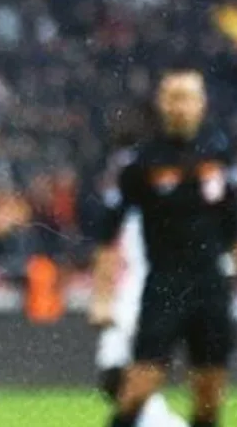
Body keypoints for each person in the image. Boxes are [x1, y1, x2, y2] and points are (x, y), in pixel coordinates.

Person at [91, 63, 237, 427]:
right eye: (173, 97)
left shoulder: (219, 155)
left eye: (187, 97)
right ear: (161, 103)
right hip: (165, 285)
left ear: (202, 103)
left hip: (211, 286)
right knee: (138, 388)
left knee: (209, 397)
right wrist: (103, 296)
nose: (180, 106)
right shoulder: (142, 162)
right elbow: (109, 235)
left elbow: (234, 231)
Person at [90, 146, 186, 427]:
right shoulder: (126, 212)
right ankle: (158, 420)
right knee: (113, 373)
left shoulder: (160, 208)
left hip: (148, 293)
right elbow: (108, 249)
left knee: (133, 369)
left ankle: (159, 421)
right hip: (128, 293)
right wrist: (104, 295)